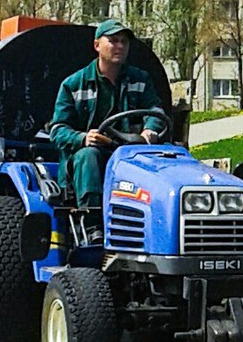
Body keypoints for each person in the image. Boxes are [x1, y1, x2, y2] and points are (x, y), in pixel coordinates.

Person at [49, 20, 168, 238]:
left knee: (169, 156)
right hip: (90, 156)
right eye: (113, 41)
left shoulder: (140, 79)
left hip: (131, 151)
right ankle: (93, 226)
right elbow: (57, 130)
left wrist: (149, 131)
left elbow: (155, 111)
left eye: (124, 42)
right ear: (97, 46)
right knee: (89, 156)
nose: (120, 46)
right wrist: (82, 138)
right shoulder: (74, 84)